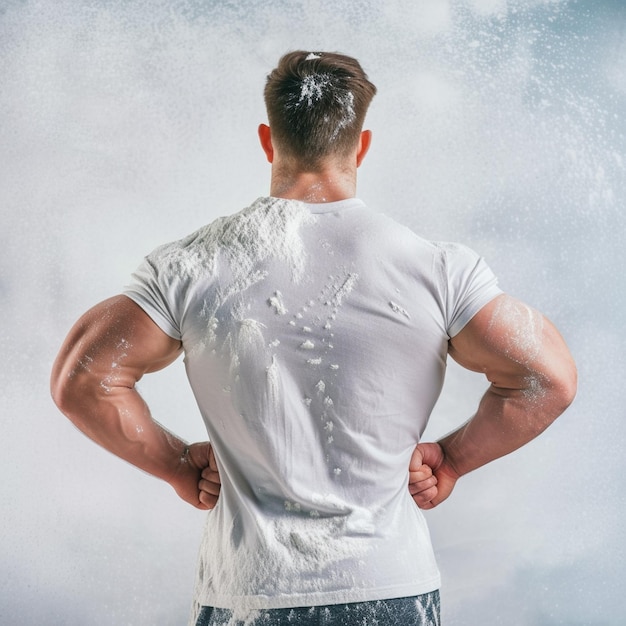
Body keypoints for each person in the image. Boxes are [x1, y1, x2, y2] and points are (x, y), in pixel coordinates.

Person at [50, 51, 577, 626]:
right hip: (386, 585)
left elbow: (83, 379)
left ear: (267, 139)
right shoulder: (435, 268)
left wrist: (178, 466)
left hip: (248, 593)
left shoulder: (192, 265)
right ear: (362, 145)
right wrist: (450, 461)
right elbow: (545, 377)